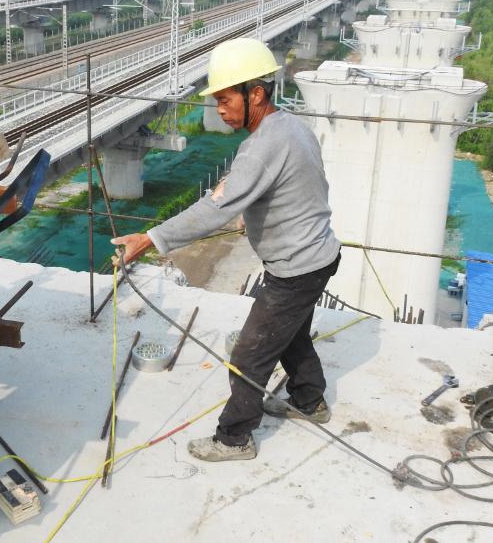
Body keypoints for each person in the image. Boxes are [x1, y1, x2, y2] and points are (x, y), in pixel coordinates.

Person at [110, 38, 341, 462]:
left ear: (256, 94)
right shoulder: (291, 126)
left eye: (225, 99)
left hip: (295, 269)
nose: (219, 109)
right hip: (318, 256)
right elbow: (303, 185)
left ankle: (234, 439)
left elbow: (213, 210)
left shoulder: (262, 148)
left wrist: (149, 239)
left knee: (249, 354)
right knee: (290, 335)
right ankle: (310, 401)